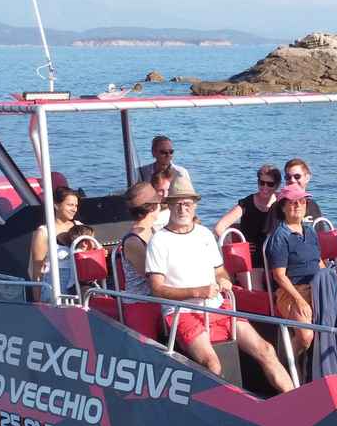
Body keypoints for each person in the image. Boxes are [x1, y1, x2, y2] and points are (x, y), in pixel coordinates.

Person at [144, 175, 293, 393]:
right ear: (170, 206)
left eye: (187, 204)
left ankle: (295, 403)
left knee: (266, 349)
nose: (183, 209)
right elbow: (156, 289)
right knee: (212, 364)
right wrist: (197, 292)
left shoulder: (204, 234)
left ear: (195, 206)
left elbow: (219, 270)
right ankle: (222, 408)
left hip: (217, 306)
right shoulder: (159, 241)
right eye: (177, 204)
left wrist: (224, 279)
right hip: (182, 312)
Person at [263, 184, 337, 367]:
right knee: (305, 336)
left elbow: (318, 262)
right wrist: (299, 301)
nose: (298, 205)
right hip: (292, 292)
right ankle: (284, 368)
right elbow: (279, 276)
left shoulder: (310, 231)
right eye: (292, 202)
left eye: (302, 201)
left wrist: (330, 289)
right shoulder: (280, 237)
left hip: (318, 289)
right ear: (283, 207)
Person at [213, 164, 280, 250]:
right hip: (249, 255)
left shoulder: (281, 203)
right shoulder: (246, 204)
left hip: (274, 253)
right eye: (262, 183)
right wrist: (234, 248)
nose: (265, 187)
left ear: (277, 185)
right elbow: (219, 227)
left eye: (270, 184)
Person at [28, 185, 84, 286]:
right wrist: (37, 295)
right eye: (70, 205)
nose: (74, 209)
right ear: (56, 205)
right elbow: (37, 270)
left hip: (78, 284)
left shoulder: (80, 227)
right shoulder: (44, 232)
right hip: (53, 285)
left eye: (76, 206)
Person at [119, 181, 160, 296]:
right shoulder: (133, 241)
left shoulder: (153, 231)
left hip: (156, 298)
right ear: (153, 207)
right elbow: (153, 279)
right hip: (142, 301)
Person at [39, 223, 96, 299]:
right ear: (85, 243)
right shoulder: (78, 254)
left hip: (77, 285)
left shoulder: (77, 252)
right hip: (77, 286)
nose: (95, 242)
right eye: (93, 239)